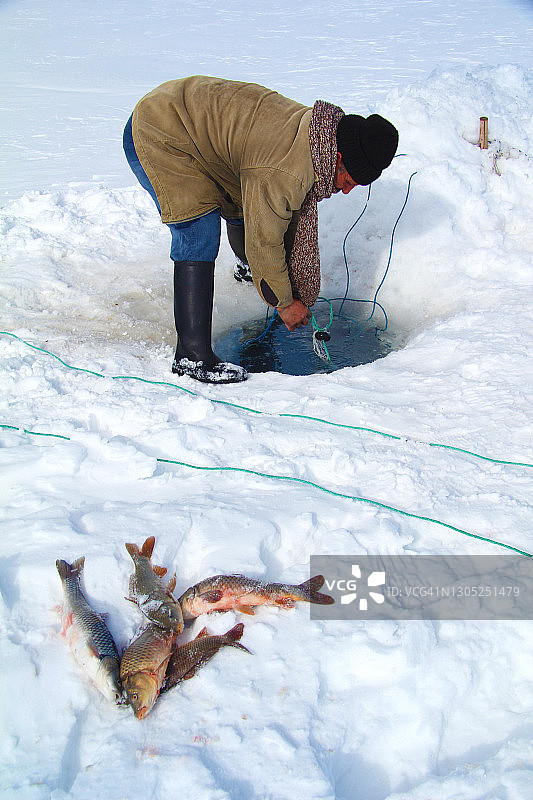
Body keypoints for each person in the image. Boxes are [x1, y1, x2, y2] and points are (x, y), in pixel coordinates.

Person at [123, 76, 398, 384]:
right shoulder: (285, 169)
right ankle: (192, 356)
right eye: (347, 181)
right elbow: (263, 239)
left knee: (247, 204)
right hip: (161, 131)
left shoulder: (318, 134)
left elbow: (266, 213)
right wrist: (284, 303)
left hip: (193, 125)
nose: (345, 191)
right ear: (338, 158)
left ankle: (248, 270)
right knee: (198, 229)